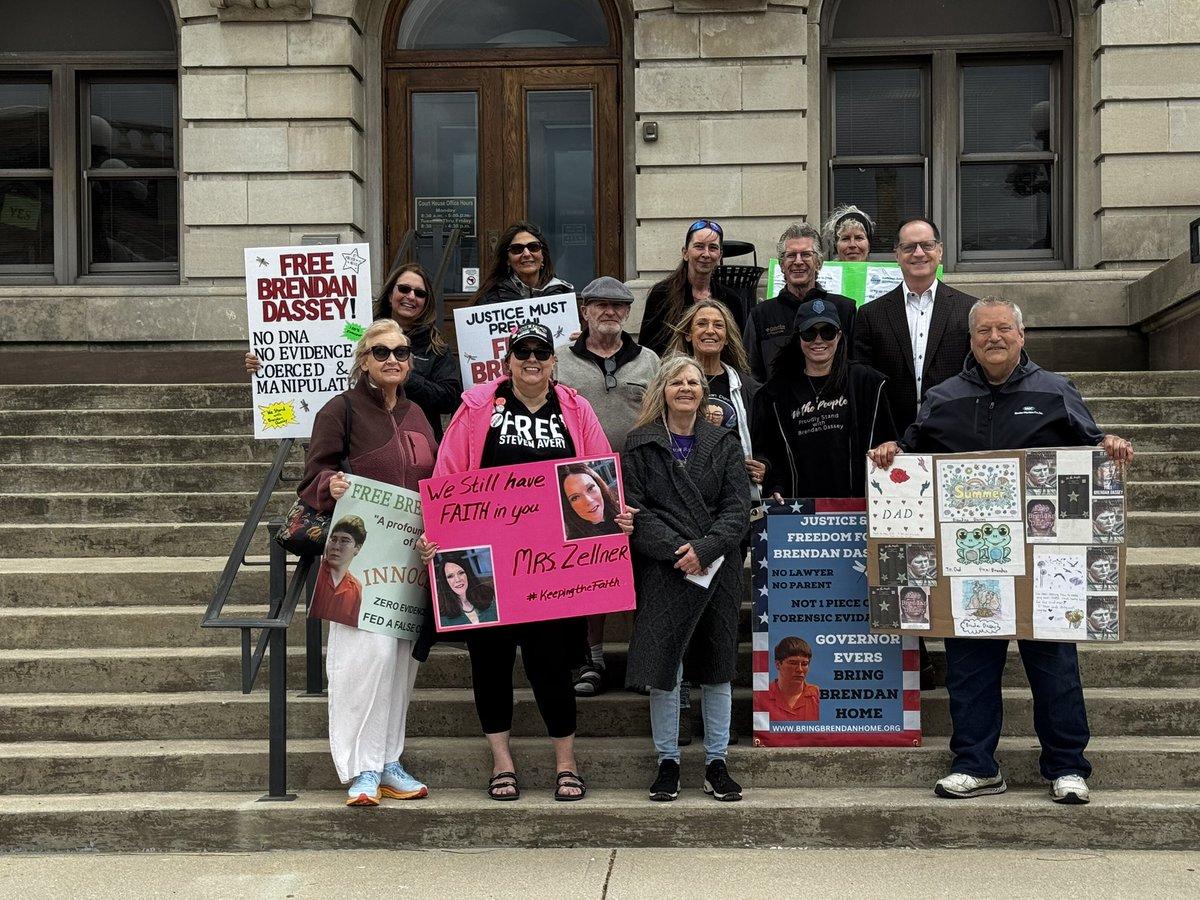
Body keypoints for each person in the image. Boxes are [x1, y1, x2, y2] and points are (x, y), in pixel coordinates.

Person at [869, 296, 1134, 806]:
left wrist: (1111, 446)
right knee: (970, 667)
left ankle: (1067, 767)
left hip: (1043, 561)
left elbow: (1092, 445)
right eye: (984, 331)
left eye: (1003, 330)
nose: (994, 338)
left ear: (1021, 334)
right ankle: (975, 765)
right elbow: (913, 455)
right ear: (970, 341)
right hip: (970, 562)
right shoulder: (944, 396)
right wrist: (891, 454)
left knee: (1054, 665)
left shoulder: (1056, 391)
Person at [417, 321, 634, 802]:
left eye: (541, 352)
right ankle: (501, 761)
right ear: (507, 360)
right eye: (522, 352)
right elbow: (449, 475)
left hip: (551, 568)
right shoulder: (477, 408)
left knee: (551, 665)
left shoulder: (575, 408)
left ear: (554, 361)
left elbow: (598, 471)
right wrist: (436, 535)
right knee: (489, 665)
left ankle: (566, 761)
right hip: (487, 562)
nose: (531, 359)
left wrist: (616, 518)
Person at [295, 318, 438, 807]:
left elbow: (433, 483)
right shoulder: (341, 409)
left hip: (409, 560)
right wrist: (328, 487)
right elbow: (313, 476)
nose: (393, 359)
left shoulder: (420, 413)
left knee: (400, 662)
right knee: (364, 659)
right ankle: (360, 768)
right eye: (381, 352)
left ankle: (389, 760)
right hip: (359, 558)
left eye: (401, 351)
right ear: (364, 361)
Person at [622, 355, 751, 803]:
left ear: (703, 392)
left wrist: (706, 549)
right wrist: (682, 552)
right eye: (677, 381)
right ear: (663, 389)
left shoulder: (724, 443)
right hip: (666, 569)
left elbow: (738, 510)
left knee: (717, 666)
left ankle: (717, 761)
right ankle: (668, 763)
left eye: (694, 382)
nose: (686, 388)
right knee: (665, 669)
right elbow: (635, 511)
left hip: (718, 569)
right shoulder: (640, 443)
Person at [553, 275, 659, 696]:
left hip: (642, 481)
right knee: (592, 573)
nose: (609, 312)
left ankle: (644, 660)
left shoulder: (649, 360)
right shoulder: (560, 359)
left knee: (644, 574)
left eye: (618, 306)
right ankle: (592, 660)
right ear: (585, 310)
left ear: (629, 313)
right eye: (600, 305)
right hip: (580, 484)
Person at [246, 262, 461, 440]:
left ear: (426, 302)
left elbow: (449, 399)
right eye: (404, 289)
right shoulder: (360, 335)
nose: (411, 296)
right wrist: (268, 360)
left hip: (419, 444)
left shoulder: (436, 346)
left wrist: (403, 375)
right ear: (389, 294)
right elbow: (316, 356)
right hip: (365, 441)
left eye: (420, 293)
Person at [751, 299, 896, 499]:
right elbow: (768, 453)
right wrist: (775, 487)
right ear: (798, 338)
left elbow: (888, 440)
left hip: (857, 507)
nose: (818, 340)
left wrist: (890, 446)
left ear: (839, 336)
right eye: (809, 333)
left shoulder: (867, 382)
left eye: (827, 332)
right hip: (800, 510)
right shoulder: (775, 394)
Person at [852, 216, 978, 435]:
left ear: (940, 251)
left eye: (927, 245)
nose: (919, 253)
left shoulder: (969, 309)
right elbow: (864, 385)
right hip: (890, 440)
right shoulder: (870, 315)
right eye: (909, 247)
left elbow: (977, 376)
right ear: (897, 256)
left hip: (955, 434)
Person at [744, 222, 857, 383]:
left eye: (806, 254)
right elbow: (751, 376)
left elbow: (856, 368)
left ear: (819, 263)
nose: (798, 261)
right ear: (782, 265)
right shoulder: (760, 315)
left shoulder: (845, 310)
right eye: (791, 255)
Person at [638, 219, 746, 356]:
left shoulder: (731, 300)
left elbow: (736, 349)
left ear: (720, 255)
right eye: (699, 247)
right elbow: (648, 351)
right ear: (685, 253)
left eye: (713, 248)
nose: (706, 254)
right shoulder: (662, 295)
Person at [471, 221, 573, 305]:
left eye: (533, 247)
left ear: (543, 256)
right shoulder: (489, 299)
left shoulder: (563, 294)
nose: (527, 254)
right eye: (517, 249)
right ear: (507, 260)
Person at [310, 516, 366, 626]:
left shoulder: (355, 587)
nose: (336, 546)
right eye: (333, 539)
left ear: (357, 548)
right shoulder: (317, 572)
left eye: (345, 541)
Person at [558, 462, 623, 539]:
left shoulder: (624, 512)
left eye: (590, 488)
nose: (589, 500)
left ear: (600, 486)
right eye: (575, 498)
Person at [434, 551, 499, 628]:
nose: (458, 579)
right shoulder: (441, 618)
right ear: (445, 582)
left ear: (468, 574)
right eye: (450, 576)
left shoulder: (490, 596)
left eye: (461, 573)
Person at [762, 637, 820, 721]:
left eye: (804, 664)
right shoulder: (762, 695)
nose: (799, 669)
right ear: (778, 664)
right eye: (793, 663)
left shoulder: (817, 696)